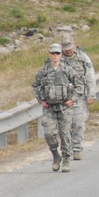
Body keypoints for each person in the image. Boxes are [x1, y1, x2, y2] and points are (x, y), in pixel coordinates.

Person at [33, 43, 81, 172]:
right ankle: (55, 155)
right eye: (53, 53)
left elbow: (79, 85)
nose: (55, 56)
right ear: (49, 54)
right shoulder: (44, 70)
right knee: (49, 133)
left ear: (61, 54)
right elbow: (35, 85)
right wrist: (40, 100)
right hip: (49, 108)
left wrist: (72, 100)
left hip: (64, 107)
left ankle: (66, 159)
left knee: (65, 134)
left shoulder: (67, 69)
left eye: (57, 53)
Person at [60, 33, 96, 157]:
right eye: (65, 48)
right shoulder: (58, 59)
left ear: (74, 44)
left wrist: (91, 94)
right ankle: (67, 148)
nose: (68, 51)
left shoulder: (82, 58)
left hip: (79, 95)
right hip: (62, 97)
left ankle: (76, 148)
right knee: (65, 124)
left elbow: (90, 76)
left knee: (79, 122)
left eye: (70, 47)